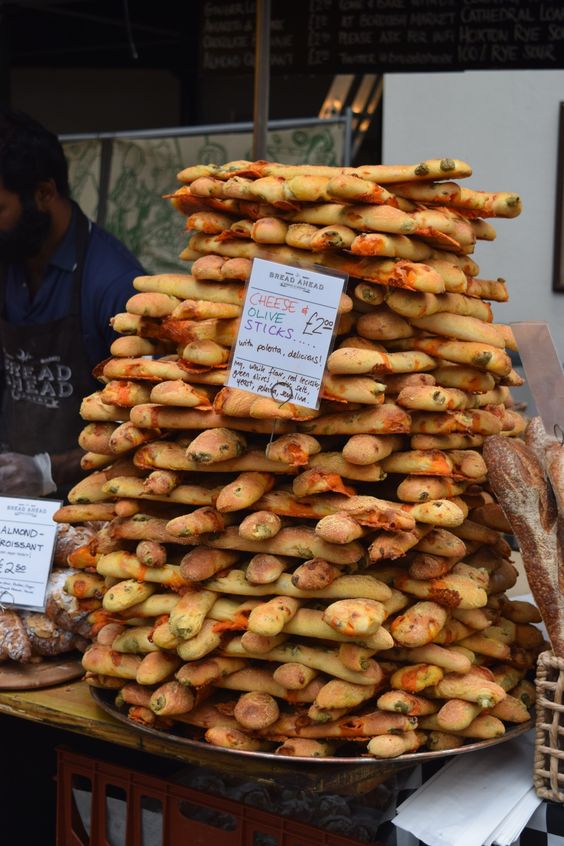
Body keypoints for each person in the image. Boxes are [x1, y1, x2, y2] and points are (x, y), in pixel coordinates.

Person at [0, 108, 145, 498]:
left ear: (44, 193)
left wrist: (48, 469)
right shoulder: (10, 257)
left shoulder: (114, 284)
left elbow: (147, 424)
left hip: (91, 510)